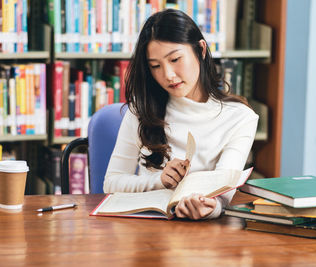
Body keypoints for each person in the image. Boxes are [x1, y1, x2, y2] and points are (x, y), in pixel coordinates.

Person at [103, 9, 258, 220]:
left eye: (175, 59)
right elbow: (111, 182)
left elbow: (224, 194)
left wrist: (208, 208)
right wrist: (159, 180)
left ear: (201, 50)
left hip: (206, 238)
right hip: (145, 232)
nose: (167, 75)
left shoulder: (240, 118)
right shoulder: (142, 110)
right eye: (155, 66)